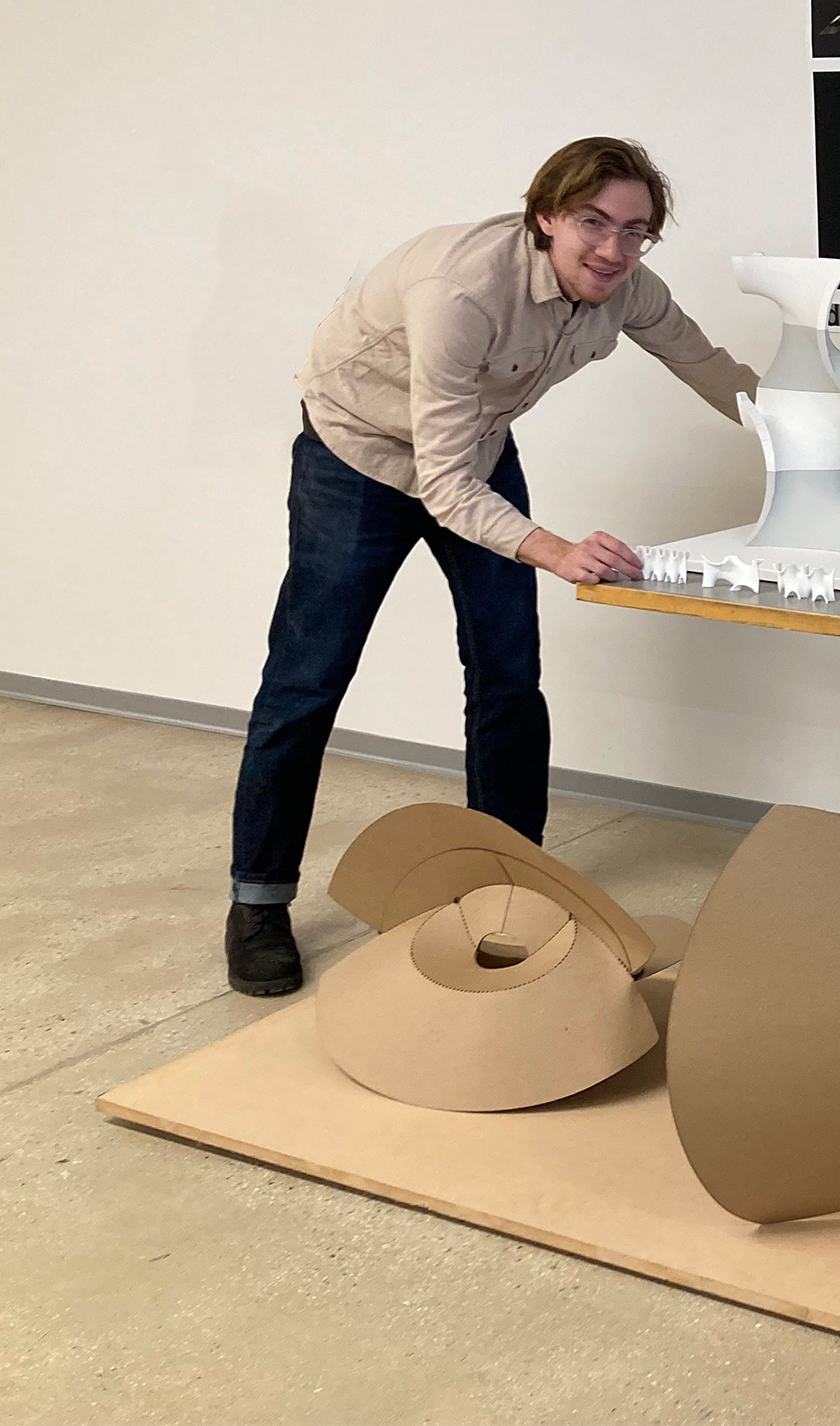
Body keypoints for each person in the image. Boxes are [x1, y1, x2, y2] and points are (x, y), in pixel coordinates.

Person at [224, 138, 798, 995]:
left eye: (636, 230)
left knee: (508, 674)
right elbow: (444, 485)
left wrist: (828, 459)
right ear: (547, 216)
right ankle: (258, 903)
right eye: (594, 223)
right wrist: (559, 551)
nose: (614, 248)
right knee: (309, 678)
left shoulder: (628, 285)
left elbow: (712, 368)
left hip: (474, 448)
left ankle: (513, 881)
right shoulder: (460, 291)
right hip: (358, 456)